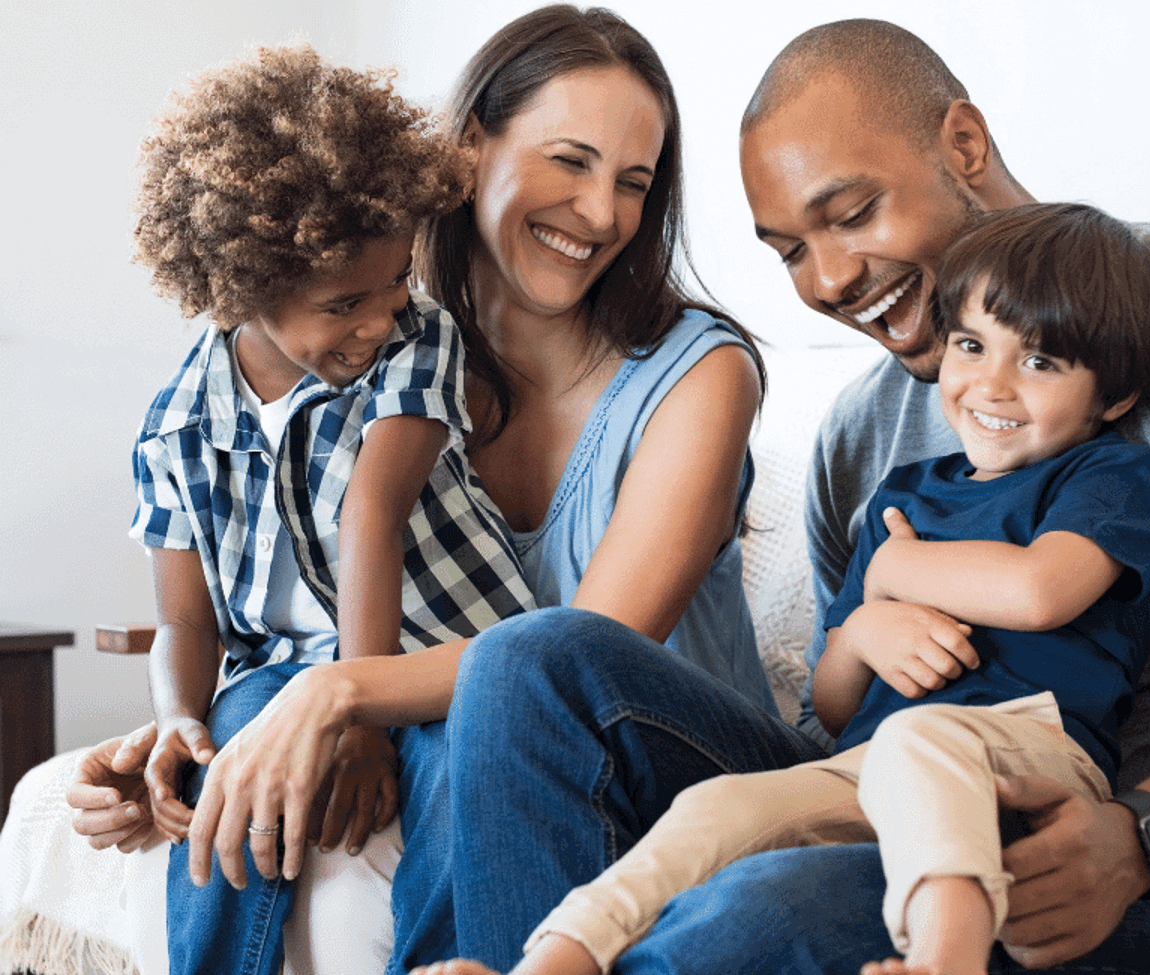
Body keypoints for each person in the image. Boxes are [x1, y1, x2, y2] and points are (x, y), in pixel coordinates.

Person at [416, 16, 1150, 975]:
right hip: (884, 801)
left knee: (756, 910)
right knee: (530, 661)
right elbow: (834, 715)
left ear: (966, 144)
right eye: (789, 252)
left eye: (852, 214)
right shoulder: (860, 437)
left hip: (1106, 867)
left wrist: (1145, 834)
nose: (829, 280)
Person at [65, 6, 794, 974]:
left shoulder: (700, 376)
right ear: (467, 148)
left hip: (681, 764)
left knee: (513, 680)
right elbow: (280, 605)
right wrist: (186, 735)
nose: (604, 214)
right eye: (569, 161)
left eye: (634, 181)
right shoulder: (369, 353)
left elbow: (570, 662)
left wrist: (340, 696)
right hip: (496, 741)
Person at [423, 202, 1150, 975]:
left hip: (1030, 759)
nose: (992, 384)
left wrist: (893, 573)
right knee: (716, 809)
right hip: (874, 764)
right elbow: (835, 701)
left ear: (1112, 398)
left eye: (1041, 362)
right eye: (971, 345)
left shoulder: (1109, 475)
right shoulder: (905, 495)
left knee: (926, 738)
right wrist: (861, 636)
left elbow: (1041, 592)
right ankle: (546, 962)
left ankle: (946, 957)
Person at [126, 44, 535, 975]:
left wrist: (358, 716)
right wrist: (177, 718)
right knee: (231, 749)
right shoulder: (174, 428)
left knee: (459, 774)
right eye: (345, 301)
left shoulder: (415, 343)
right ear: (244, 289)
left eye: (396, 282)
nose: (381, 317)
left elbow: (372, 513)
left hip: (444, 658)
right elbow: (183, 616)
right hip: (285, 672)